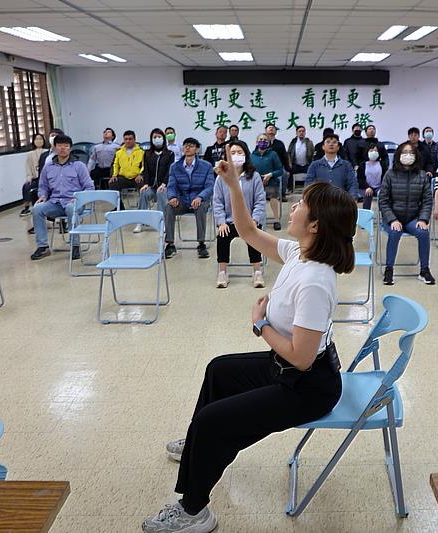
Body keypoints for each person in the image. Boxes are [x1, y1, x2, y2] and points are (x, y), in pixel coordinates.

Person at [141, 167, 355, 533]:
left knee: (215, 422)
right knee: (219, 369)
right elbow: (248, 231)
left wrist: (261, 325)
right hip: (288, 370)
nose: (292, 207)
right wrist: (232, 186)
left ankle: (194, 511)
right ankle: (197, 446)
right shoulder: (298, 254)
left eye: (300, 204)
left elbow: (301, 357)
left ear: (316, 225)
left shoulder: (316, 281)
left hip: (308, 387)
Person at [30, 135, 94, 261]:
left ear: (70, 148)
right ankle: (43, 246)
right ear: (54, 148)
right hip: (55, 203)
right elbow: (43, 186)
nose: (63, 148)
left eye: (66, 146)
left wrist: (78, 198)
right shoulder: (48, 167)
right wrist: (42, 196)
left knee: (71, 208)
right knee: (37, 209)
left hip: (75, 203)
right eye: (59, 145)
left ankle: (75, 244)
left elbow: (89, 187)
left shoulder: (79, 165)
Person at [378, 142, 434, 286]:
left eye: (411, 153)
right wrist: (392, 220)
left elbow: (427, 201)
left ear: (416, 156)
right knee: (395, 232)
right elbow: (383, 200)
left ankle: (424, 270)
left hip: (412, 219)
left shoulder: (422, 176)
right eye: (404, 152)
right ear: (398, 155)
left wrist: (423, 219)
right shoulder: (390, 174)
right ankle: (389, 269)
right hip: (392, 218)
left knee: (423, 232)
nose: (408, 156)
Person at [213, 142, 266, 289]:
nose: (236, 155)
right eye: (233, 153)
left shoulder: (254, 176)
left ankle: (257, 271)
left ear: (246, 155)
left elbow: (260, 201)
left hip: (249, 220)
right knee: (222, 236)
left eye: (239, 152)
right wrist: (221, 222)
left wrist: (254, 220)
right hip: (229, 221)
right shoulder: (221, 178)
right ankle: (222, 272)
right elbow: (217, 202)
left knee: (254, 235)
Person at [165, 137, 215, 259]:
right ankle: (170, 244)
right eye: (185, 145)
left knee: (201, 207)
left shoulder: (206, 166)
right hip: (183, 200)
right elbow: (171, 186)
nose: (187, 147)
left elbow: (210, 186)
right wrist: (172, 197)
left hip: (199, 199)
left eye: (191, 145)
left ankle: (201, 244)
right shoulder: (175, 166)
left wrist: (200, 197)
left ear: (197, 149)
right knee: (169, 207)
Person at [135, 128, 174, 233]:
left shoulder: (170, 154)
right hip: (151, 185)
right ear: (151, 139)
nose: (157, 139)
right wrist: (146, 184)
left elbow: (170, 171)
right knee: (143, 193)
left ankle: (162, 221)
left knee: (161, 193)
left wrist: (164, 184)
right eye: (155, 137)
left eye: (159, 137)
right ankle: (140, 222)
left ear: (163, 138)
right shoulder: (147, 154)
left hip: (164, 185)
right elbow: (146, 170)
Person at [305, 133, 360, 200]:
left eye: (334, 142)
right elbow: (309, 184)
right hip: (320, 202)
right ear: (323, 146)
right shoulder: (314, 165)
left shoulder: (346, 165)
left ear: (338, 147)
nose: (331, 144)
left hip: (341, 201)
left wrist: (352, 198)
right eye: (328, 142)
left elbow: (353, 183)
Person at [251, 132, 283, 231]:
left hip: (271, 182)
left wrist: (270, 175)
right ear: (256, 142)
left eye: (265, 140)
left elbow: (280, 170)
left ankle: (276, 220)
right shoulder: (252, 155)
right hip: (256, 182)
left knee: (273, 196)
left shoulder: (273, 154)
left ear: (268, 143)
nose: (263, 142)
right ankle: (254, 219)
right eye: (260, 140)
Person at [109, 130, 145, 209]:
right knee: (112, 183)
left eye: (130, 139)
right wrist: (114, 175)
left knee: (144, 185)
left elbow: (144, 165)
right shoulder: (118, 152)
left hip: (137, 178)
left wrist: (141, 174)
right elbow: (115, 165)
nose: (128, 141)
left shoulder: (141, 152)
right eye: (126, 139)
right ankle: (119, 207)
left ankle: (142, 208)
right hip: (123, 178)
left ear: (134, 140)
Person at [20, 133, 46, 216]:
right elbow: (28, 167)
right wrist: (29, 176)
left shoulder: (46, 152)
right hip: (35, 178)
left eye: (40, 139)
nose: (38, 141)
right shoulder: (30, 154)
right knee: (26, 186)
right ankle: (26, 207)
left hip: (44, 178)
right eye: (36, 139)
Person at [265, 123, 290, 200]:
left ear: (276, 132)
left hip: (278, 167)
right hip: (265, 167)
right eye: (269, 128)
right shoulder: (262, 142)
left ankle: (282, 194)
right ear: (266, 131)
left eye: (273, 128)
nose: (271, 129)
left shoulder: (280, 143)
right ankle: (267, 194)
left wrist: (287, 168)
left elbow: (285, 157)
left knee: (285, 174)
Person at [357, 142, 384, 210]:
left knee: (383, 195)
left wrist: (382, 188)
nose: (373, 152)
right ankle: (366, 215)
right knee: (368, 194)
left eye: (375, 151)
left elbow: (385, 178)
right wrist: (367, 187)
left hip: (379, 187)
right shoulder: (363, 164)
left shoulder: (382, 164)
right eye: (371, 151)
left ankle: (382, 215)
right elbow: (360, 179)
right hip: (366, 188)